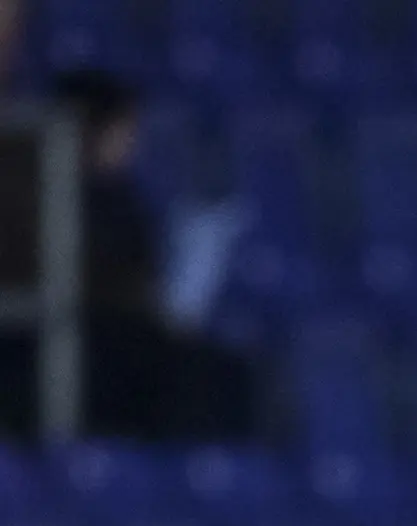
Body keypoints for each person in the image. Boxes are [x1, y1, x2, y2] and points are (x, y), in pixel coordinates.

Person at [0, 69, 262, 441]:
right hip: (50, 349)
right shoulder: (31, 189)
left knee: (220, 373)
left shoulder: (119, 197)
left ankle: (185, 471)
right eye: (125, 130)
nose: (131, 143)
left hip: (113, 347)